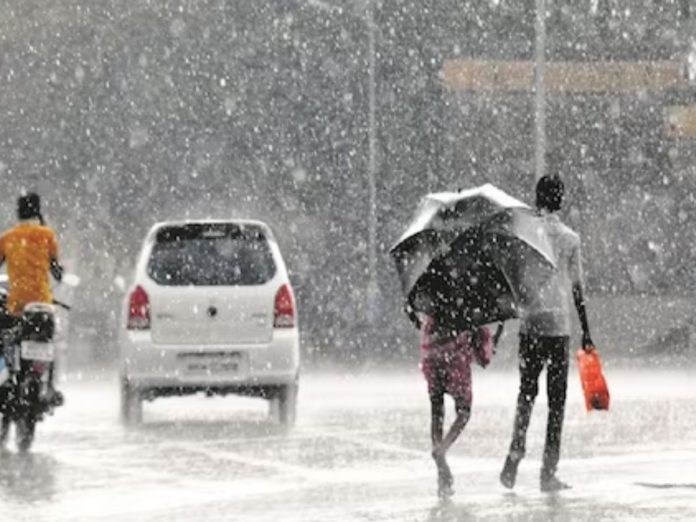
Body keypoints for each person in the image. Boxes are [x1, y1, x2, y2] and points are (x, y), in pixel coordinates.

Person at [499, 174, 593, 492]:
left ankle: (514, 455)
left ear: (537, 198)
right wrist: (587, 331)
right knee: (556, 402)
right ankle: (547, 472)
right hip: (558, 327)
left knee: (526, 393)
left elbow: (511, 285)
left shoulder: (523, 236)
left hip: (530, 325)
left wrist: (501, 324)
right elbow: (577, 289)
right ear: (560, 199)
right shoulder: (569, 238)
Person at [420, 314, 503, 498]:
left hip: (431, 356)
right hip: (455, 359)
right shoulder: (472, 308)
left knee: (436, 412)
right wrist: (493, 340)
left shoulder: (433, 309)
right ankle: (441, 450)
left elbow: (419, 323)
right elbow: (483, 358)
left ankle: (441, 475)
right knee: (464, 412)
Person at [0, 193, 63, 403]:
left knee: (6, 338)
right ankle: (51, 385)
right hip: (42, 303)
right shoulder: (47, 235)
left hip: (17, 304)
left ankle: (7, 375)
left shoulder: (8, 238)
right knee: (50, 340)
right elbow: (56, 271)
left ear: (18, 213)